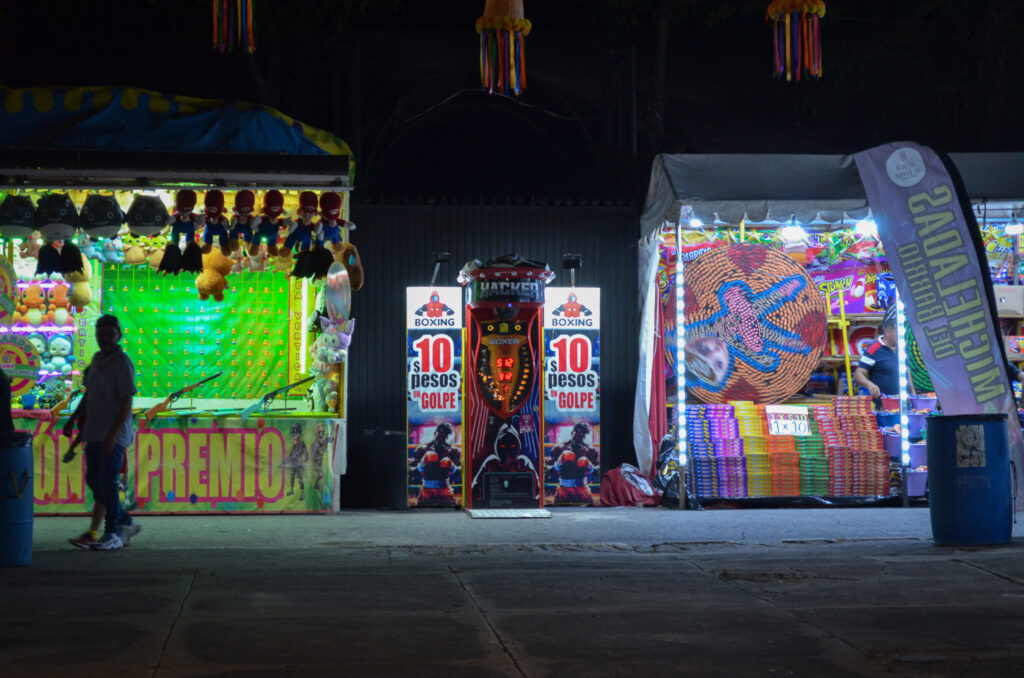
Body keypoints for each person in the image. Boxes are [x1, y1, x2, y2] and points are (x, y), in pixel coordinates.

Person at [63, 315, 140, 550]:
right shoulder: (96, 360)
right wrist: (73, 419)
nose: (104, 338)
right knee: (95, 481)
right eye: (100, 334)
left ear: (119, 336)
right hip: (93, 431)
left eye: (109, 334)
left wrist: (112, 436)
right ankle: (126, 521)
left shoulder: (122, 362)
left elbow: (127, 401)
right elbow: (90, 394)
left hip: (112, 435)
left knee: (107, 481)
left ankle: (113, 533)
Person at [854, 304, 914, 407]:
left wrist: (913, 394)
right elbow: (858, 374)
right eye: (897, 333)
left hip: (905, 404)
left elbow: (907, 371)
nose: (901, 336)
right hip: (884, 406)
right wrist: (870, 384)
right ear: (887, 332)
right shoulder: (873, 350)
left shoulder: (902, 348)